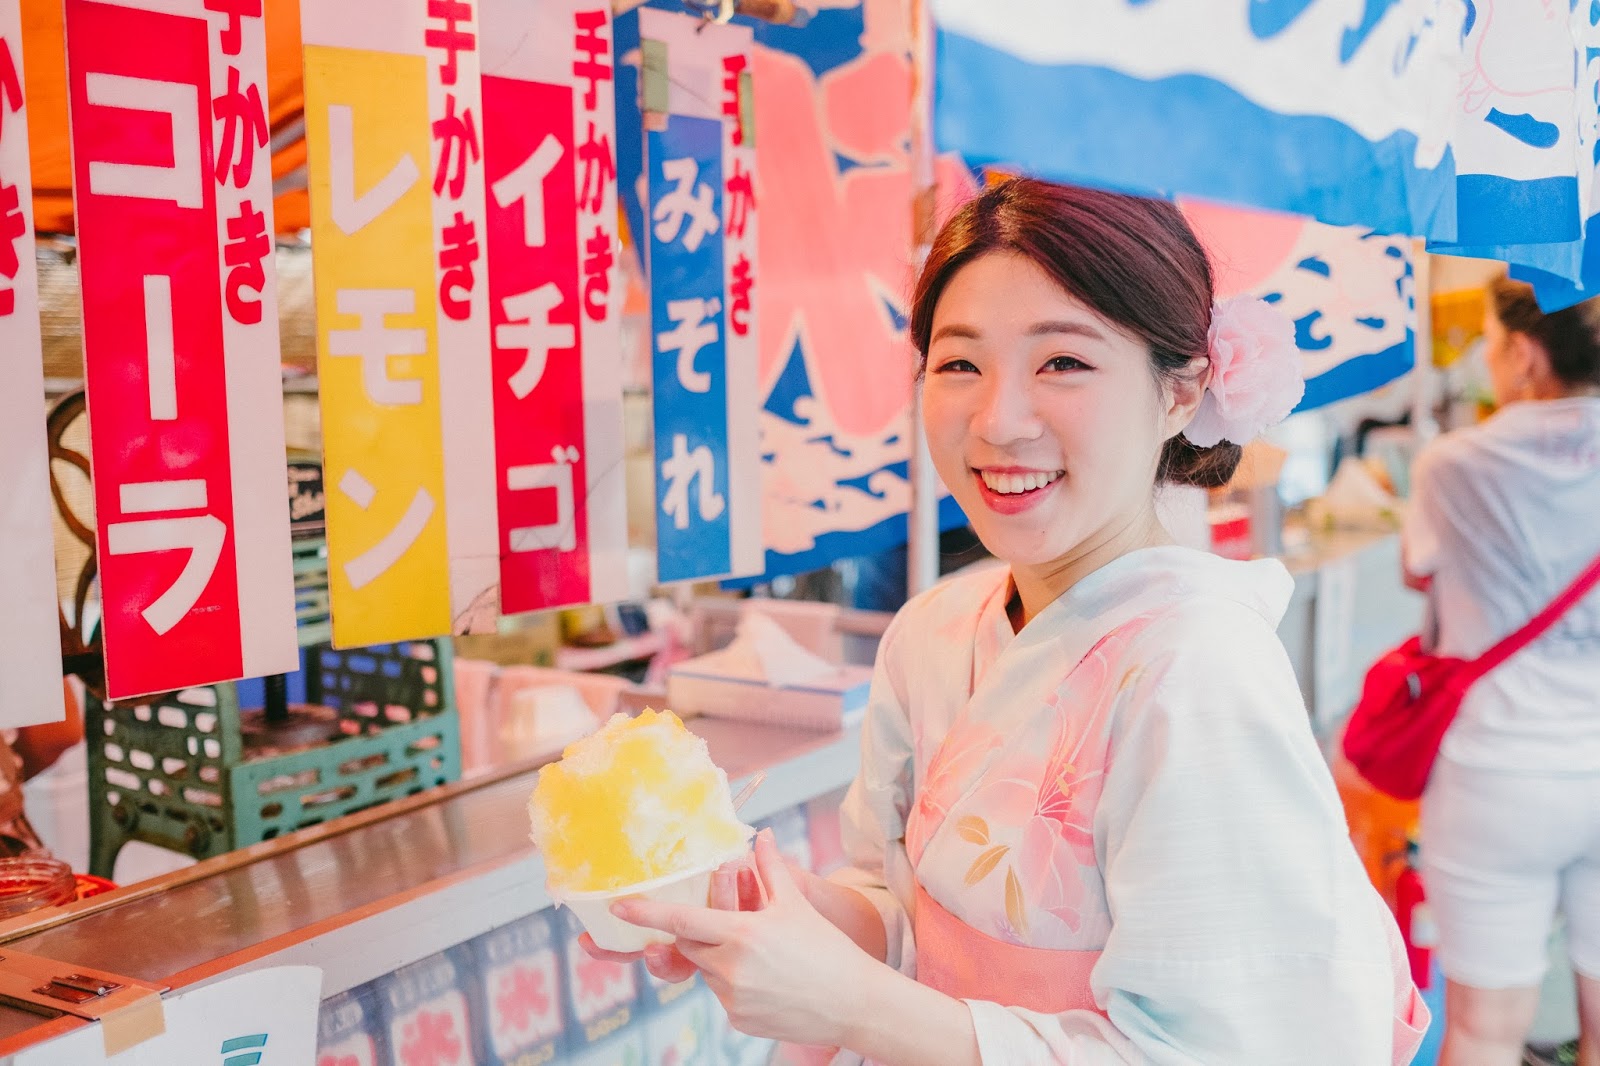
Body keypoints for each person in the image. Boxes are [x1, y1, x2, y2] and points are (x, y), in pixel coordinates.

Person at [590, 179, 1426, 1063]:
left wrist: (855, 1008)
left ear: (1181, 393)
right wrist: (766, 911)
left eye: (1062, 362)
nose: (999, 421)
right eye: (959, 364)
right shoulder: (933, 631)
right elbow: (901, 905)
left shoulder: (1198, 672)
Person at [1401, 276, 1600, 1066]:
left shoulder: (1452, 465)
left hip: (1495, 772)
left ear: (1524, 353)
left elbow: (1420, 577)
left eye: (1488, 342)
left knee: (1484, 1032)